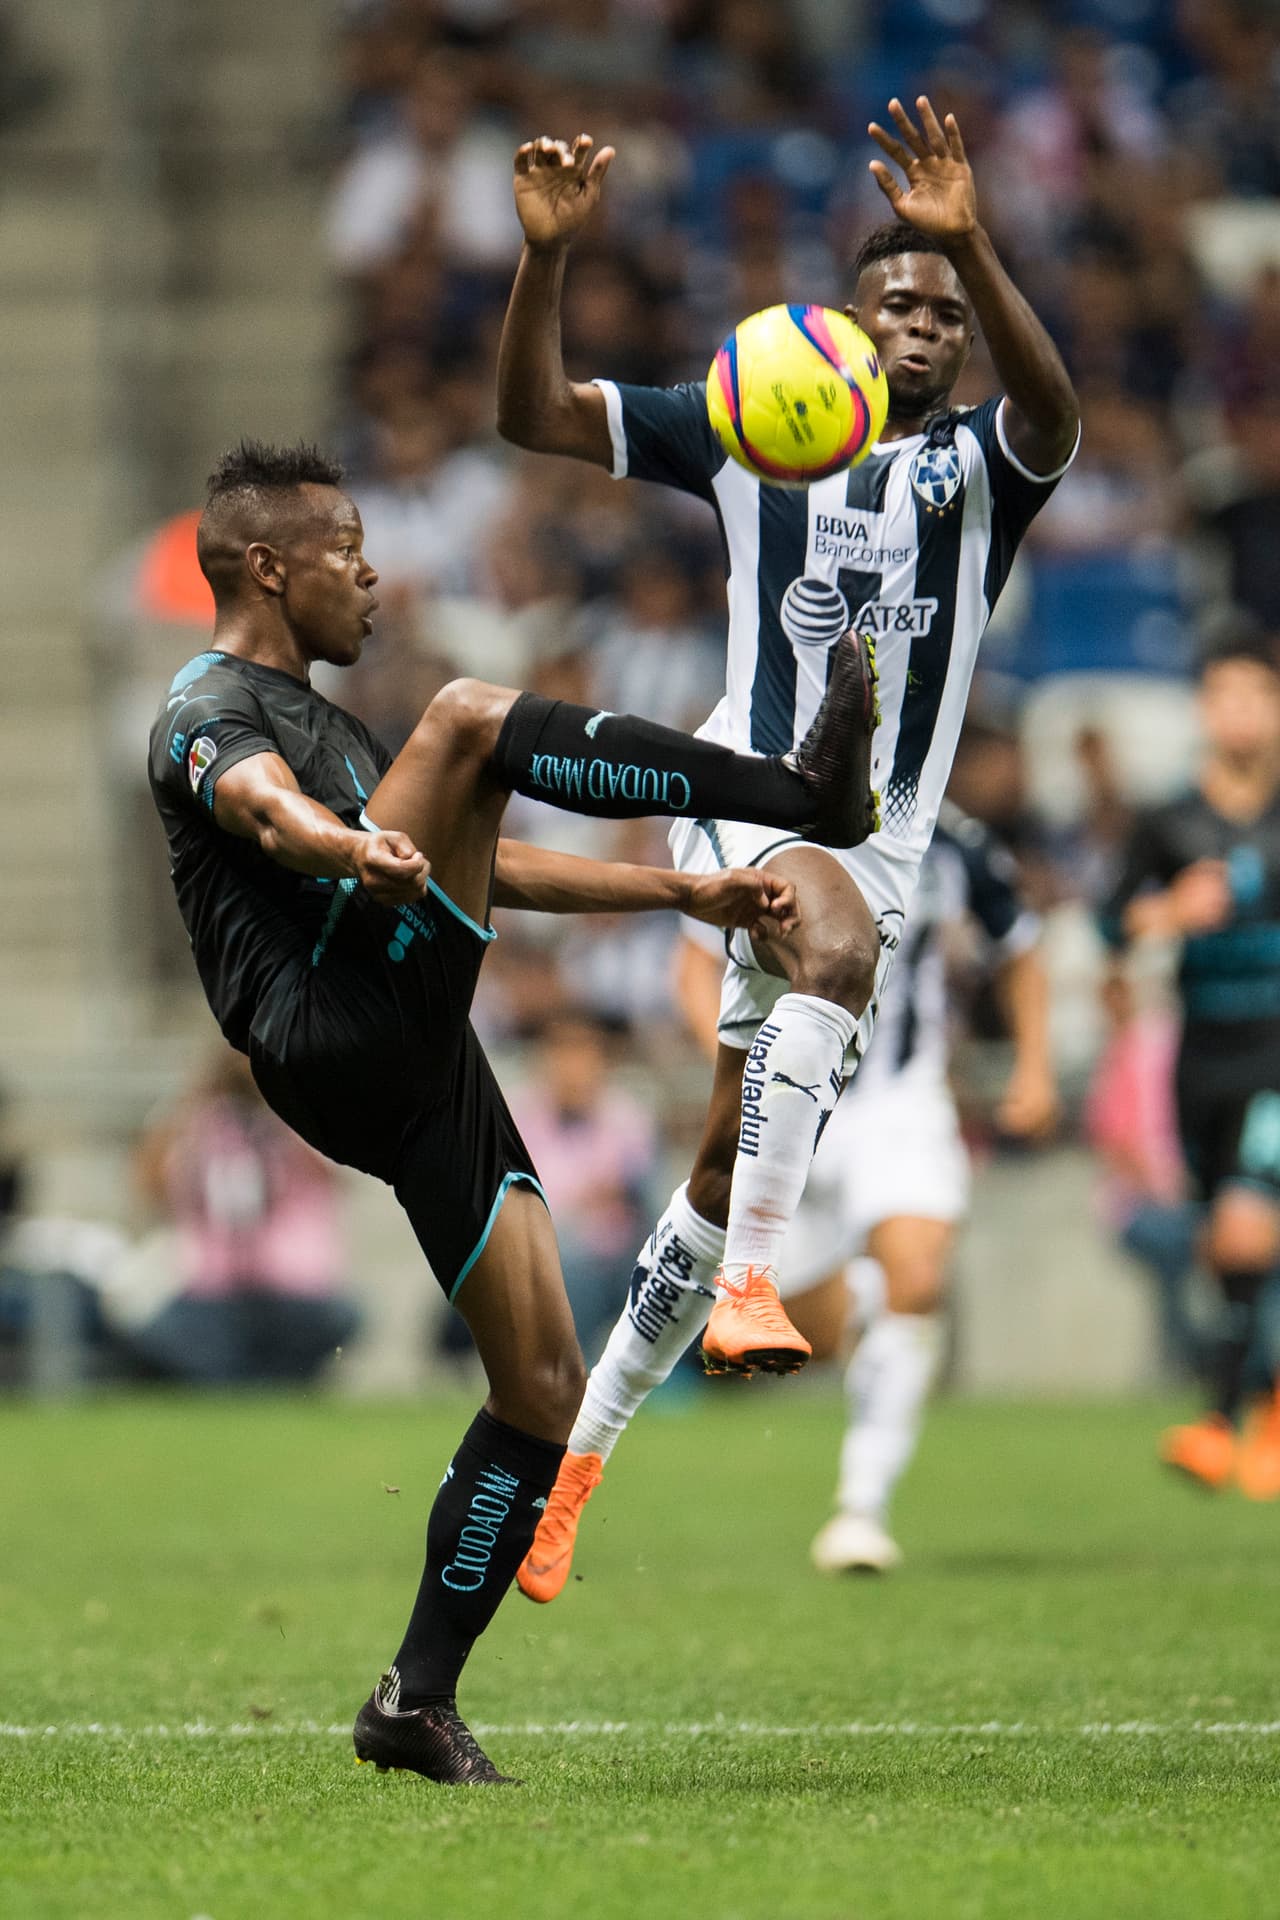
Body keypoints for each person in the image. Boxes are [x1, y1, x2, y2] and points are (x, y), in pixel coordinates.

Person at [147, 438, 869, 1785]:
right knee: (471, 714)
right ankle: (794, 791)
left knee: (542, 1386)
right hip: (329, 1024)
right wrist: (348, 843)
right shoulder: (205, 704)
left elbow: (478, 863)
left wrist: (682, 893)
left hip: (420, 1060)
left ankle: (412, 1701)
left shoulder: (340, 729)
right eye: (347, 550)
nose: (373, 575)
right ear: (268, 567)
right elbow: (261, 808)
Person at [496, 99, 1078, 1471]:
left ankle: (578, 1457)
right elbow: (533, 414)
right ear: (855, 326)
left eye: (947, 314)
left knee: (717, 1168)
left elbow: (1056, 412)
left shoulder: (982, 469)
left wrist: (970, 240)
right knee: (833, 942)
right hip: (745, 792)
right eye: (901, 305)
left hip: (885, 839)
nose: (925, 327)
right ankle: (756, 1286)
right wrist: (546, 257)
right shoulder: (747, 425)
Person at [517, 804, 1057, 1597]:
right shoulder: (757, 825)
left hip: (897, 1101)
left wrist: (1035, 1065)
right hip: (787, 1098)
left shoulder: (949, 840)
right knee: (801, 1330)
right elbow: (694, 966)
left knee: (915, 1277)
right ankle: (594, 1436)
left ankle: (861, 1508)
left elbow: (1021, 943)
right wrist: (743, 1067)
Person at [1100, 637, 1280, 1499]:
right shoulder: (1169, 821)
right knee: (1225, 1246)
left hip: (1276, 1050)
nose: (1239, 713)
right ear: (1204, 710)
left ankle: (1219, 1422)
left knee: (1247, 1227)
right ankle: (1266, 1405)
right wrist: (1168, 910)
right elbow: (1109, 924)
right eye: (1224, 696)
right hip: (1201, 1053)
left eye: (1255, 695)